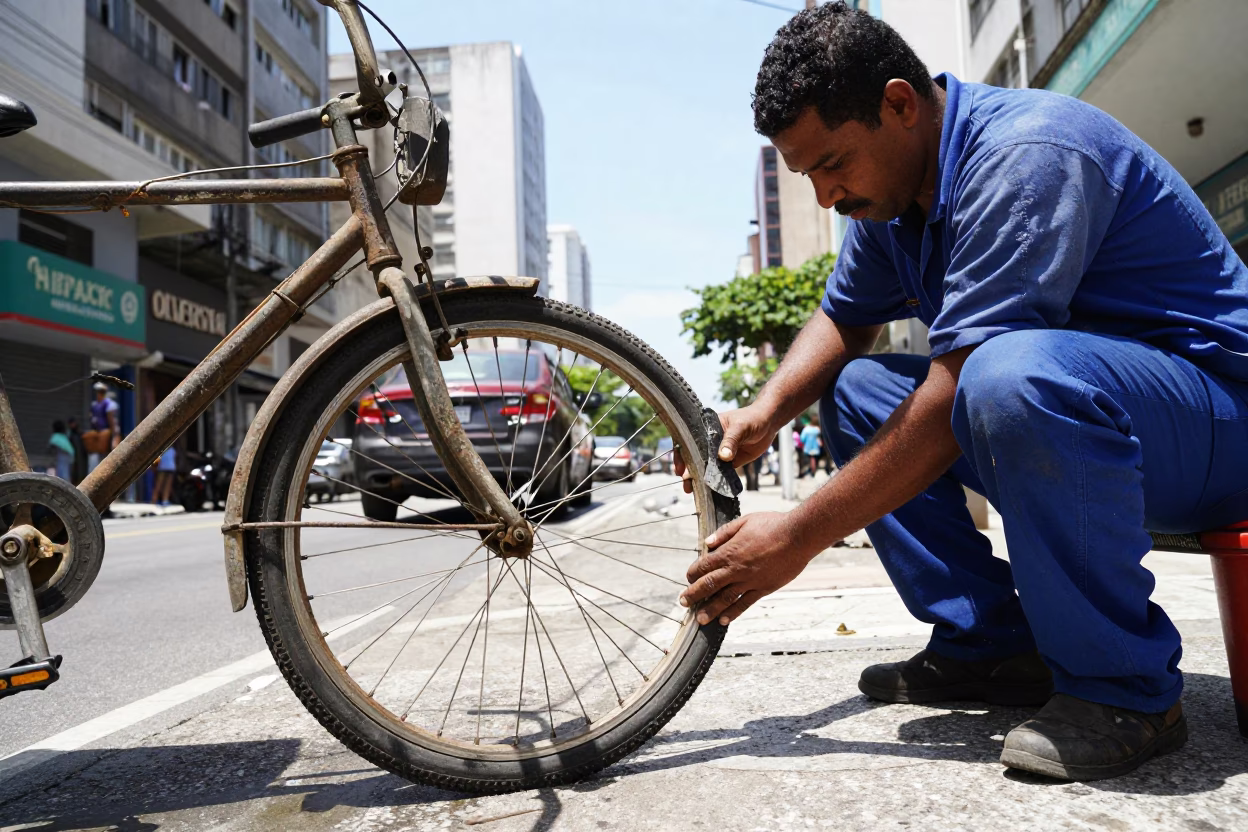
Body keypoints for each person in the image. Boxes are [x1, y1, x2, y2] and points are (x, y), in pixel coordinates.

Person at [676, 3, 1248, 781]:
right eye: (807, 175)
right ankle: (990, 645)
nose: (825, 196)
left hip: (1219, 426)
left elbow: (959, 391)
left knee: (1007, 374)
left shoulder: (1026, 153)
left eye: (833, 164)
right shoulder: (891, 200)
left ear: (899, 104)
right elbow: (846, 317)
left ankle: (1125, 689)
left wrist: (798, 537)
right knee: (861, 390)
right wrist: (762, 414)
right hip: (1109, 420)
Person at [86, 382, 120, 473]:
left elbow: (111, 420)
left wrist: (114, 435)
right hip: (97, 433)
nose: (98, 394)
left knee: (106, 456)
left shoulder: (109, 404)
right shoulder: (94, 405)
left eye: (100, 392)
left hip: (106, 434)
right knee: (97, 456)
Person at [65, 416, 88, 484]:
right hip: (74, 457)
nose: (73, 425)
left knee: (82, 471)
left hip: (82, 456)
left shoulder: (81, 433)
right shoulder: (70, 435)